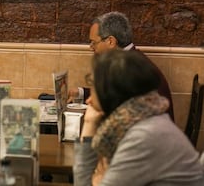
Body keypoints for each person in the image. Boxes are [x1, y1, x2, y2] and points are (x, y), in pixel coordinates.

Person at [73, 49, 204, 186]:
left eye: (92, 87)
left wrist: (88, 126)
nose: (89, 100)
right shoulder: (145, 121)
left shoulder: (142, 137)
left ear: (110, 93)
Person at [68, 11, 174, 120]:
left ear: (110, 41)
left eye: (94, 42)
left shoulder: (129, 68)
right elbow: (113, 95)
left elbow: (115, 108)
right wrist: (81, 92)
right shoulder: (131, 59)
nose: (91, 47)